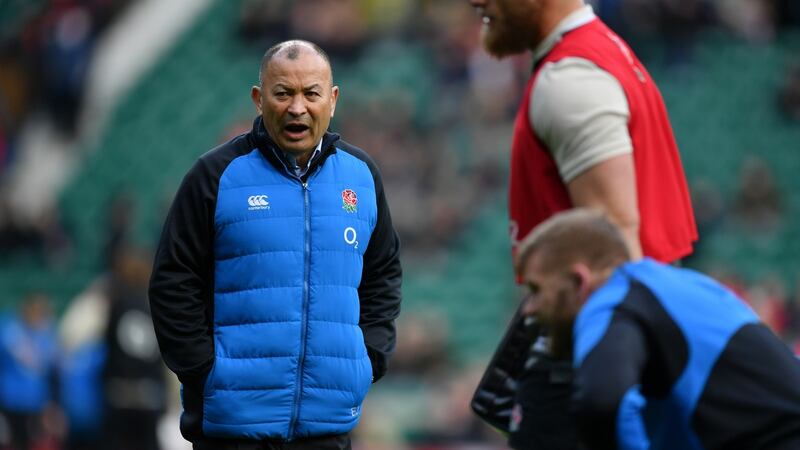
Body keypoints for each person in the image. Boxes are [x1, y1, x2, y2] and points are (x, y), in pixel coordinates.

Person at [149, 40, 402, 450]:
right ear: (258, 98)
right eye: (283, 93)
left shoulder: (362, 177)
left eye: (311, 93)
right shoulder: (214, 175)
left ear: (333, 100)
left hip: (327, 427)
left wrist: (367, 359)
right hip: (232, 429)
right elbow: (172, 281)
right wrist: (204, 371)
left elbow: (384, 273)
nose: (297, 107)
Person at [465, 0, 697, 448]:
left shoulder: (571, 78)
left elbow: (614, 245)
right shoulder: (600, 54)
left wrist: (616, 385)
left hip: (589, 364)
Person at [515, 208, 800, 449]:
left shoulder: (612, 298)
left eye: (536, 290)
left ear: (579, 281)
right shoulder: (665, 287)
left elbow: (602, 403)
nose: (529, 308)